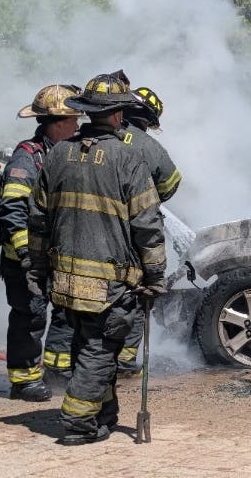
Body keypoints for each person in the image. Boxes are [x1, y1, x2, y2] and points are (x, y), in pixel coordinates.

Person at [26, 73, 167, 445]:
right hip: (110, 285)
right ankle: (77, 422)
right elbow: (148, 225)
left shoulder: (57, 155)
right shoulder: (128, 157)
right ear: (119, 115)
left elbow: (38, 219)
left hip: (64, 280)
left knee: (84, 345)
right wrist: (155, 275)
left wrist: (38, 270)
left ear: (87, 113)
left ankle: (103, 414)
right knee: (100, 350)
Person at [0, 84, 82, 402]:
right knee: (30, 316)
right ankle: (24, 382)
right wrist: (26, 255)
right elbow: (12, 208)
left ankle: (57, 372)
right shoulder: (27, 157)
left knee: (63, 313)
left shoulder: (65, 153)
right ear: (57, 123)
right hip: (25, 259)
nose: (77, 125)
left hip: (56, 255)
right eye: (73, 120)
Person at [115, 84, 181, 377]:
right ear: (149, 119)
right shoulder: (147, 145)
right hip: (133, 234)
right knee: (140, 295)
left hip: (91, 232)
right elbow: (171, 183)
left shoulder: (93, 137)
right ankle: (125, 362)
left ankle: (79, 362)